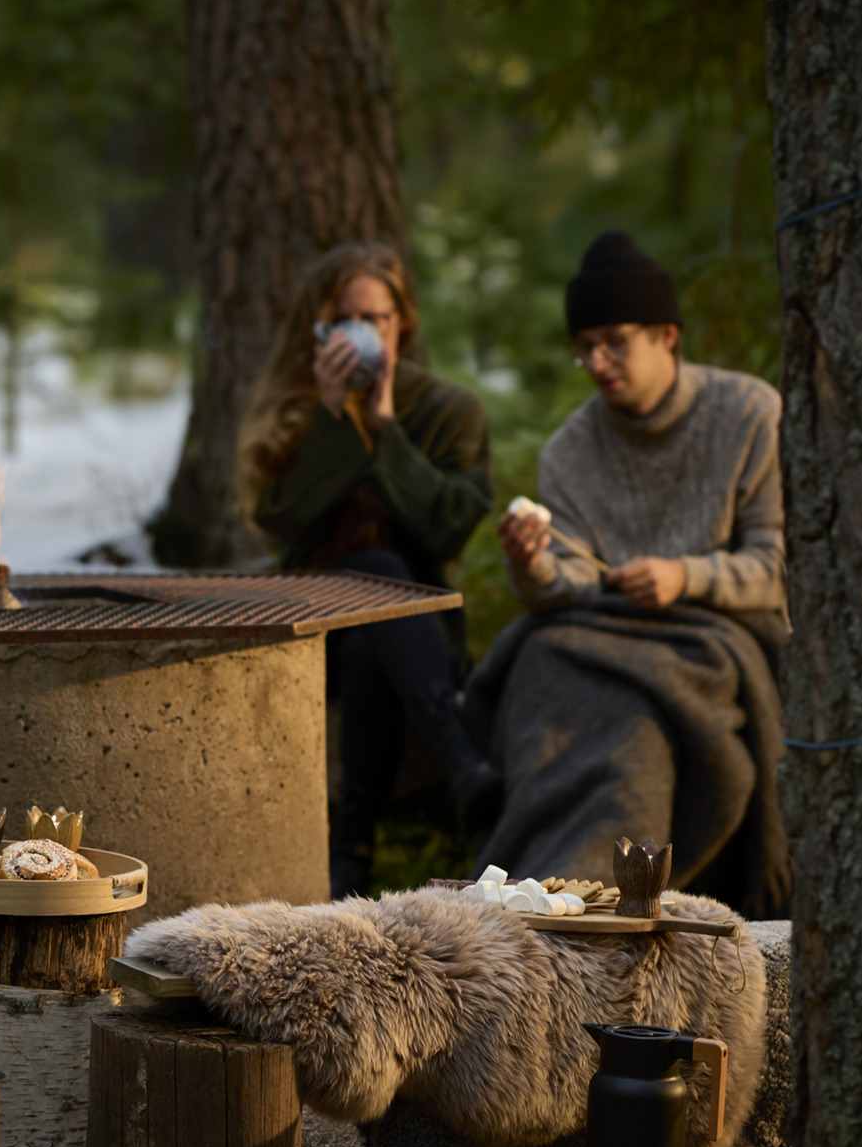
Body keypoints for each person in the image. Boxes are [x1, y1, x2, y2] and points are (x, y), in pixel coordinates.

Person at [466, 230, 791, 916]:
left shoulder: (748, 413)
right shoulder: (569, 450)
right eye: (584, 347)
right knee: (539, 667)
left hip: (711, 637)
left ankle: (594, 901)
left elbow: (776, 563)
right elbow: (567, 586)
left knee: (633, 737)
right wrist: (528, 563)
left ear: (665, 335)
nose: (597, 361)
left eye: (614, 341)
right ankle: (523, 891)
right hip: (596, 634)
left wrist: (686, 576)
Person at [239, 241, 499, 898]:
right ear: (320, 330)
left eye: (377, 319)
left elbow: (447, 524)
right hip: (308, 630)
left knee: (373, 631)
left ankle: (349, 858)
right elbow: (282, 521)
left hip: (416, 643)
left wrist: (385, 428)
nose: (366, 333)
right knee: (370, 582)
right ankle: (457, 753)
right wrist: (331, 417)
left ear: (401, 323)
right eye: (347, 320)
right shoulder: (290, 406)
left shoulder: (447, 410)